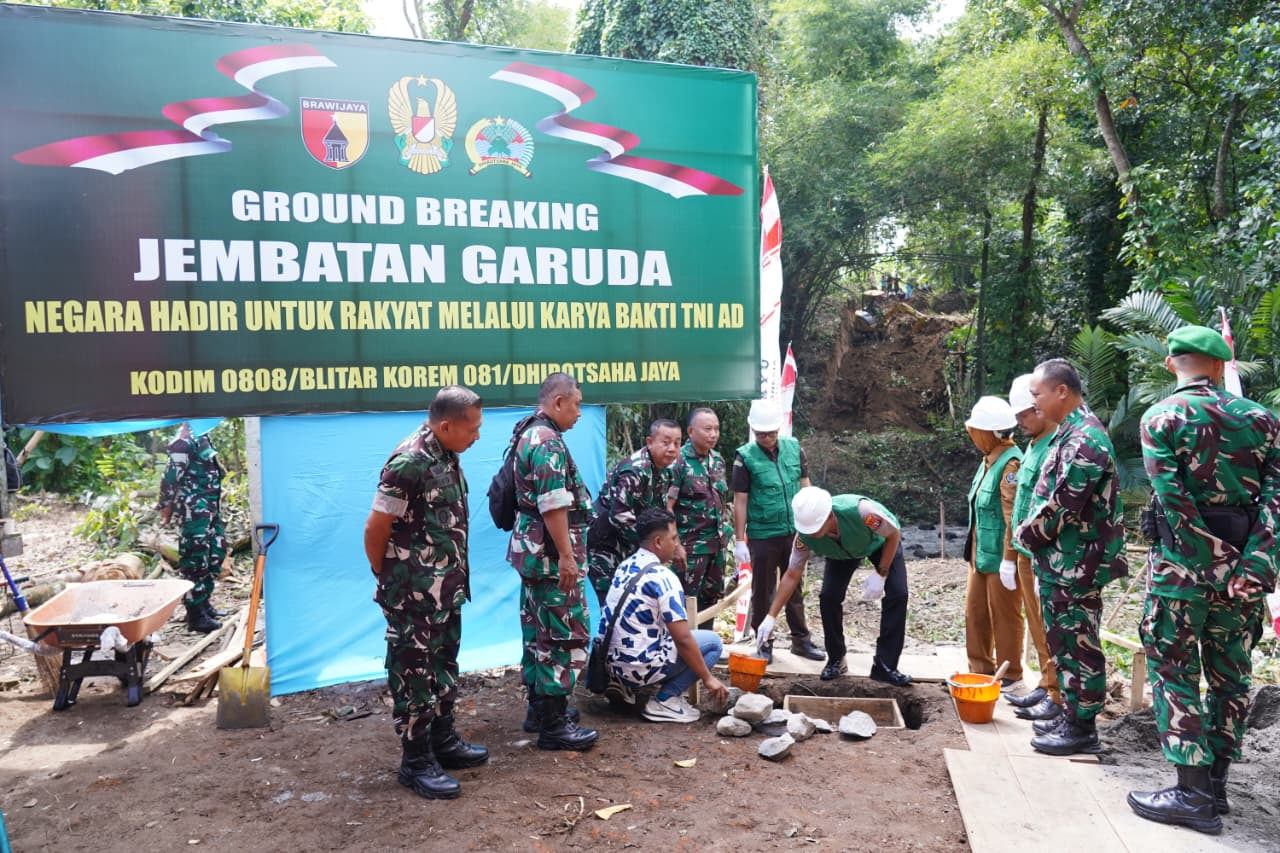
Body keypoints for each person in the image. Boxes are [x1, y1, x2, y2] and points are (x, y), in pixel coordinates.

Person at [1126, 326, 1280, 835]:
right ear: (1220, 366)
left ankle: (1191, 794)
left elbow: (1173, 500)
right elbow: (1273, 502)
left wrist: (1211, 564)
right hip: (1243, 576)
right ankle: (1216, 786)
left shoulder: (1161, 418)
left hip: (1182, 572)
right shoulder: (1264, 421)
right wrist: (1251, 567)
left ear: (1173, 366)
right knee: (1230, 677)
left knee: (1174, 671)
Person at [364, 386, 489, 801]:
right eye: (473, 429)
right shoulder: (409, 462)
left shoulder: (448, 454)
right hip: (413, 596)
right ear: (447, 425)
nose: (477, 437)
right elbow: (375, 527)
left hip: (446, 591)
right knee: (414, 674)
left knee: (443, 667)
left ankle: (443, 741)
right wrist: (389, 578)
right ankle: (415, 761)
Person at [1014, 358, 1128, 756]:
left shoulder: (1087, 440)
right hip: (1062, 562)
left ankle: (1082, 727)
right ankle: (1069, 714)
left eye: (1036, 394)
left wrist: (1025, 534)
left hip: (1079, 564)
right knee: (1062, 640)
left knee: (1079, 644)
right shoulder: (1069, 433)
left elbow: (1063, 504)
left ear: (1061, 391)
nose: (1034, 403)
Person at [506, 372, 599, 751]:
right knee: (563, 636)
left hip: (532, 553)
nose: (579, 412)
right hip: (549, 556)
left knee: (539, 633)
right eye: (576, 403)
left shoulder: (528, 432)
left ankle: (541, 711)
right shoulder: (546, 441)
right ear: (558, 402)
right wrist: (566, 557)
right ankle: (554, 725)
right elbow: (553, 504)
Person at [757, 486, 912, 686]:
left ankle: (885, 665)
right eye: (807, 531)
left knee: (898, 594)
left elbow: (893, 534)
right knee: (828, 597)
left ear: (829, 516)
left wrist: (881, 573)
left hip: (880, 542)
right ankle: (837, 659)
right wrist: (771, 617)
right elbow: (792, 574)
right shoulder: (804, 536)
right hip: (840, 553)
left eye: (815, 529)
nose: (811, 535)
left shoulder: (863, 512)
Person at [599, 508, 730, 723]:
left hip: (611, 664)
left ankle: (625, 687)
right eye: (674, 538)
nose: (678, 544)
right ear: (658, 542)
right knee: (712, 643)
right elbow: (683, 639)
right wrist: (708, 679)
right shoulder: (663, 577)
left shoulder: (625, 565)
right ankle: (664, 700)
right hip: (638, 667)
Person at [732, 400, 824, 663]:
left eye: (771, 433)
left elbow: (805, 485)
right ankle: (764, 642)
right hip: (762, 533)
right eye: (761, 434)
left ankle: (801, 641)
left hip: (794, 530)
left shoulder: (795, 449)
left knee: (794, 585)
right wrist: (740, 540)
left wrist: (812, 521)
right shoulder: (745, 457)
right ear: (753, 430)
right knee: (763, 589)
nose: (767, 438)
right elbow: (741, 500)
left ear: (778, 428)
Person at [1003, 374, 1062, 721]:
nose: (1020, 421)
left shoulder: (1056, 445)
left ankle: (1056, 691)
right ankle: (1046, 682)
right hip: (1025, 552)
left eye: (1025, 414)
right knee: (1037, 625)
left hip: (1042, 554)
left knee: (1048, 624)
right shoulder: (1033, 444)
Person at [961, 396, 1025, 689]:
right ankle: (980, 668)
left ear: (988, 433)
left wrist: (1010, 559)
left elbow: (1013, 517)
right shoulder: (987, 461)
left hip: (1001, 557)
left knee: (1005, 616)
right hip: (980, 554)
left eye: (975, 431)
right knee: (975, 613)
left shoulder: (1010, 464)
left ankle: (1009, 672)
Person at [587, 418, 683, 605]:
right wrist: (649, 547)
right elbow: (619, 516)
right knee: (612, 603)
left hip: (631, 545)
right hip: (605, 544)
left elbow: (658, 514)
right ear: (650, 442)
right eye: (666, 442)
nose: (672, 448)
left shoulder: (665, 472)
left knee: (635, 602)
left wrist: (673, 543)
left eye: (677, 443)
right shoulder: (635, 471)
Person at [158, 423, 228, 634]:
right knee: (194, 559)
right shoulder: (184, 439)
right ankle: (195, 614)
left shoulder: (201, 434)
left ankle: (204, 603)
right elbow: (170, 477)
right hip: (193, 510)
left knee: (213, 553)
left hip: (209, 508)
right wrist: (165, 506)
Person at [667, 408, 734, 627]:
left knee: (711, 600)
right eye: (707, 429)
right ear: (691, 431)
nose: (713, 434)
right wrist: (675, 544)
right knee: (685, 601)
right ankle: (682, 655)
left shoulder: (718, 460)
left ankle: (705, 649)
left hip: (716, 547)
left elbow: (721, 502)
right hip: (690, 548)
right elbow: (667, 507)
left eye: (716, 429)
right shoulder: (678, 462)